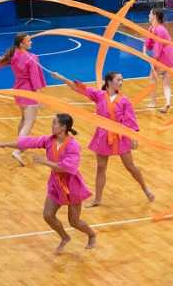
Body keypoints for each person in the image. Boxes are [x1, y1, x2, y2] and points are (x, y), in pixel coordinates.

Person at [0, 114, 98, 254]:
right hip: (56, 184)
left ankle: (91, 234)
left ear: (63, 128)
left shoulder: (73, 145)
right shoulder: (48, 140)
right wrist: (2, 144)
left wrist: (45, 162)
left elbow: (68, 168)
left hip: (72, 186)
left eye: (54, 123)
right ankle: (65, 237)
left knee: (74, 221)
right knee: (47, 215)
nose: (51, 125)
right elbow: (27, 142)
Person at [50, 71, 155, 207]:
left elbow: (130, 120)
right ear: (109, 82)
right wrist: (61, 77)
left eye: (122, 80)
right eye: (118, 80)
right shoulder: (99, 95)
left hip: (120, 136)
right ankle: (98, 199)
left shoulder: (125, 101)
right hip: (102, 136)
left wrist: (133, 137)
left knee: (130, 166)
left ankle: (145, 189)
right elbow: (79, 88)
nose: (121, 83)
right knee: (101, 167)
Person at [0, 33, 48, 166]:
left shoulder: (13, 55)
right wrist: (40, 97)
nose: (31, 43)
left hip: (18, 91)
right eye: (29, 41)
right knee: (29, 123)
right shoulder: (32, 58)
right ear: (21, 44)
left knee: (24, 119)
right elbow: (35, 80)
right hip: (29, 92)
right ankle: (18, 151)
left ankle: (21, 146)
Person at [145, 7, 173, 113]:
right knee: (166, 82)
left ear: (155, 16)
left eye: (150, 13)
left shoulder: (159, 29)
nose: (148, 15)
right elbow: (149, 45)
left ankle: (152, 103)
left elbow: (158, 47)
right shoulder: (154, 28)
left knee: (152, 78)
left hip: (166, 58)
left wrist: (155, 61)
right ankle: (167, 102)